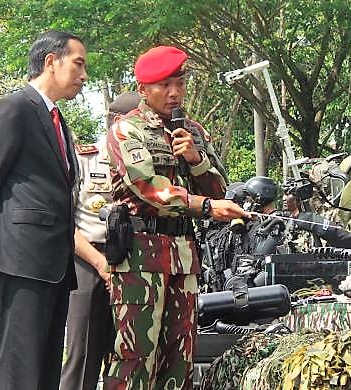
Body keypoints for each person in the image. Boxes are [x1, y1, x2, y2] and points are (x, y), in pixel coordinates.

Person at [104, 45, 248, 389]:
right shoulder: (127, 130)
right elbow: (147, 188)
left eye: (180, 84)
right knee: (136, 354)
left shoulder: (193, 130)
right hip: (141, 256)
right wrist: (207, 207)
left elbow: (219, 189)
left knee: (180, 354)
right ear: (143, 89)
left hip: (184, 255)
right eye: (164, 86)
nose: (174, 93)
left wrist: (197, 159)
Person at [0, 30, 87, 390]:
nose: (84, 75)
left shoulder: (55, 117)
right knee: (20, 368)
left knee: (45, 366)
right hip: (21, 260)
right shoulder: (16, 107)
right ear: (52, 62)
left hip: (52, 263)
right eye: (78, 64)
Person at [60, 91, 140, 390]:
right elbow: (64, 224)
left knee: (132, 352)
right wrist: (100, 264)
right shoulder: (85, 160)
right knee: (83, 354)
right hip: (89, 260)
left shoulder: (150, 161)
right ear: (119, 122)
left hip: (138, 262)